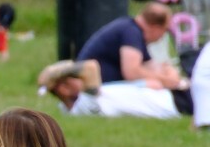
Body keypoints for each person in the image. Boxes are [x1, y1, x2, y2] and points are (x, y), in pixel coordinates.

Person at [37, 58, 201, 123]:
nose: (80, 79)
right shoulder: (83, 106)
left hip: (174, 93)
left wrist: (146, 83)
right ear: (64, 89)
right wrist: (53, 74)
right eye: (74, 76)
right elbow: (91, 67)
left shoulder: (69, 108)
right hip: (177, 104)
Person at [75, 6, 178, 86]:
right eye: (165, 30)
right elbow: (132, 72)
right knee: (153, 86)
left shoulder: (133, 30)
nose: (163, 36)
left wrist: (168, 70)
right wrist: (166, 81)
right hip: (95, 86)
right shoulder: (131, 32)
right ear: (156, 28)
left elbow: (151, 66)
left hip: (103, 85)